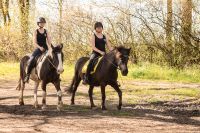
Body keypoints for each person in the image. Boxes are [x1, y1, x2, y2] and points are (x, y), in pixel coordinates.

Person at [24, 17, 52, 83]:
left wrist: (50, 47)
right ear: (38, 23)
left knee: (54, 58)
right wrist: (40, 47)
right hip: (38, 48)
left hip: (46, 48)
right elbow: (34, 42)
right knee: (31, 59)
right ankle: (27, 75)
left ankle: (56, 75)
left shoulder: (46, 31)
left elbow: (49, 40)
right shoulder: (35, 31)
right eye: (41, 23)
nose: (42, 24)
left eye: (43, 23)